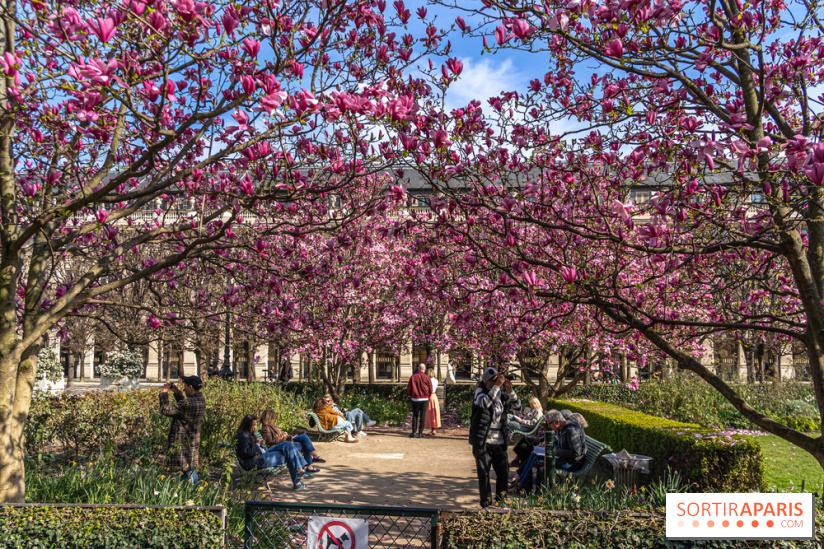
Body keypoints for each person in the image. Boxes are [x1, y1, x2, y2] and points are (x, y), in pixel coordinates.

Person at [468, 367, 521, 508]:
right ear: (487, 382)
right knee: (484, 474)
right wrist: (497, 387)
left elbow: (518, 407)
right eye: (494, 380)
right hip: (483, 442)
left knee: (503, 473)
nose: (498, 382)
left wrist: (510, 391)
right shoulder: (480, 391)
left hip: (499, 441)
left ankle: (501, 501)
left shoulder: (502, 392)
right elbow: (485, 403)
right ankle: (486, 503)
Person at [235, 414, 311, 490]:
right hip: (255, 461)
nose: (255, 427)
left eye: (255, 425)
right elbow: (247, 453)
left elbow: (252, 448)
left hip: (261, 455)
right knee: (288, 454)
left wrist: (260, 444)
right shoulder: (242, 436)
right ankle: (298, 480)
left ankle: (299, 471)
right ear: (247, 425)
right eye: (253, 425)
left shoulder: (248, 433)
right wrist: (257, 444)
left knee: (287, 444)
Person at [159, 375, 206, 485]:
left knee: (187, 471)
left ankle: (190, 495)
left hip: (183, 441)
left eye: (185, 386)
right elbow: (185, 409)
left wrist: (164, 393)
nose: (183, 388)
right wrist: (177, 393)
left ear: (191, 387)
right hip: (193, 440)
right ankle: (193, 492)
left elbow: (166, 411)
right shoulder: (200, 400)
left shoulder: (187, 404)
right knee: (190, 467)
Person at [259, 408, 326, 465]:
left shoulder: (272, 426)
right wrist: (283, 438)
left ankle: (313, 460)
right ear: (269, 418)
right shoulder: (266, 428)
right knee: (304, 442)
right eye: (273, 417)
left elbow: (277, 435)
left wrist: (284, 434)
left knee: (304, 438)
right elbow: (270, 442)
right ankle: (313, 460)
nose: (274, 419)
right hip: (282, 444)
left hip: (286, 441)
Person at [407, 363, 432, 438]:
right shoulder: (427, 377)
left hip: (415, 398)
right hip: (424, 398)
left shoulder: (413, 377)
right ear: (425, 369)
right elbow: (430, 388)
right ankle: (420, 433)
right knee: (422, 415)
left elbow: (409, 388)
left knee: (415, 415)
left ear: (418, 369)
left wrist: (412, 395)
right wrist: (428, 396)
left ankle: (414, 432)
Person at [425, 372, 441, 436]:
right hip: (434, 396)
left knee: (430, 413)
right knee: (435, 412)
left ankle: (432, 428)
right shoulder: (436, 380)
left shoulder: (428, 380)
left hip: (429, 396)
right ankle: (434, 428)